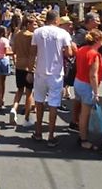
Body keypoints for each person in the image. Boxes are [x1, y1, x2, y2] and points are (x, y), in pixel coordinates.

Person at [27, 10, 72, 147]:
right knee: (54, 104)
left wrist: (30, 70)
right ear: (57, 20)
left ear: (46, 19)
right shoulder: (63, 33)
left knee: (39, 101)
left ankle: (38, 132)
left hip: (40, 72)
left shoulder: (38, 32)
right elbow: (69, 53)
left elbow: (32, 53)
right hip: (56, 73)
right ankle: (51, 136)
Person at [69, 12, 101, 133]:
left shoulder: (87, 32)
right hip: (84, 74)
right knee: (83, 103)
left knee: (79, 99)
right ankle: (80, 129)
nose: (99, 22)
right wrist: (81, 57)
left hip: (83, 74)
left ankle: (76, 122)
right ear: (90, 20)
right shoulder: (82, 32)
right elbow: (72, 44)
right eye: (97, 20)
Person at [73, 29, 102, 150]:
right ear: (98, 40)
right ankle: (83, 140)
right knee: (85, 114)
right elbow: (93, 75)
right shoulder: (94, 54)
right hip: (86, 84)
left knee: (82, 111)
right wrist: (96, 92)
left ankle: (82, 134)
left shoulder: (82, 49)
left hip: (78, 81)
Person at [9, 16, 38, 127]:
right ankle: (26, 117)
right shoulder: (32, 37)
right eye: (34, 24)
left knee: (20, 90)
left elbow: (14, 50)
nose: (36, 26)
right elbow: (33, 53)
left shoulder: (17, 35)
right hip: (29, 66)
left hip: (19, 65)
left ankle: (14, 108)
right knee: (29, 92)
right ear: (28, 24)